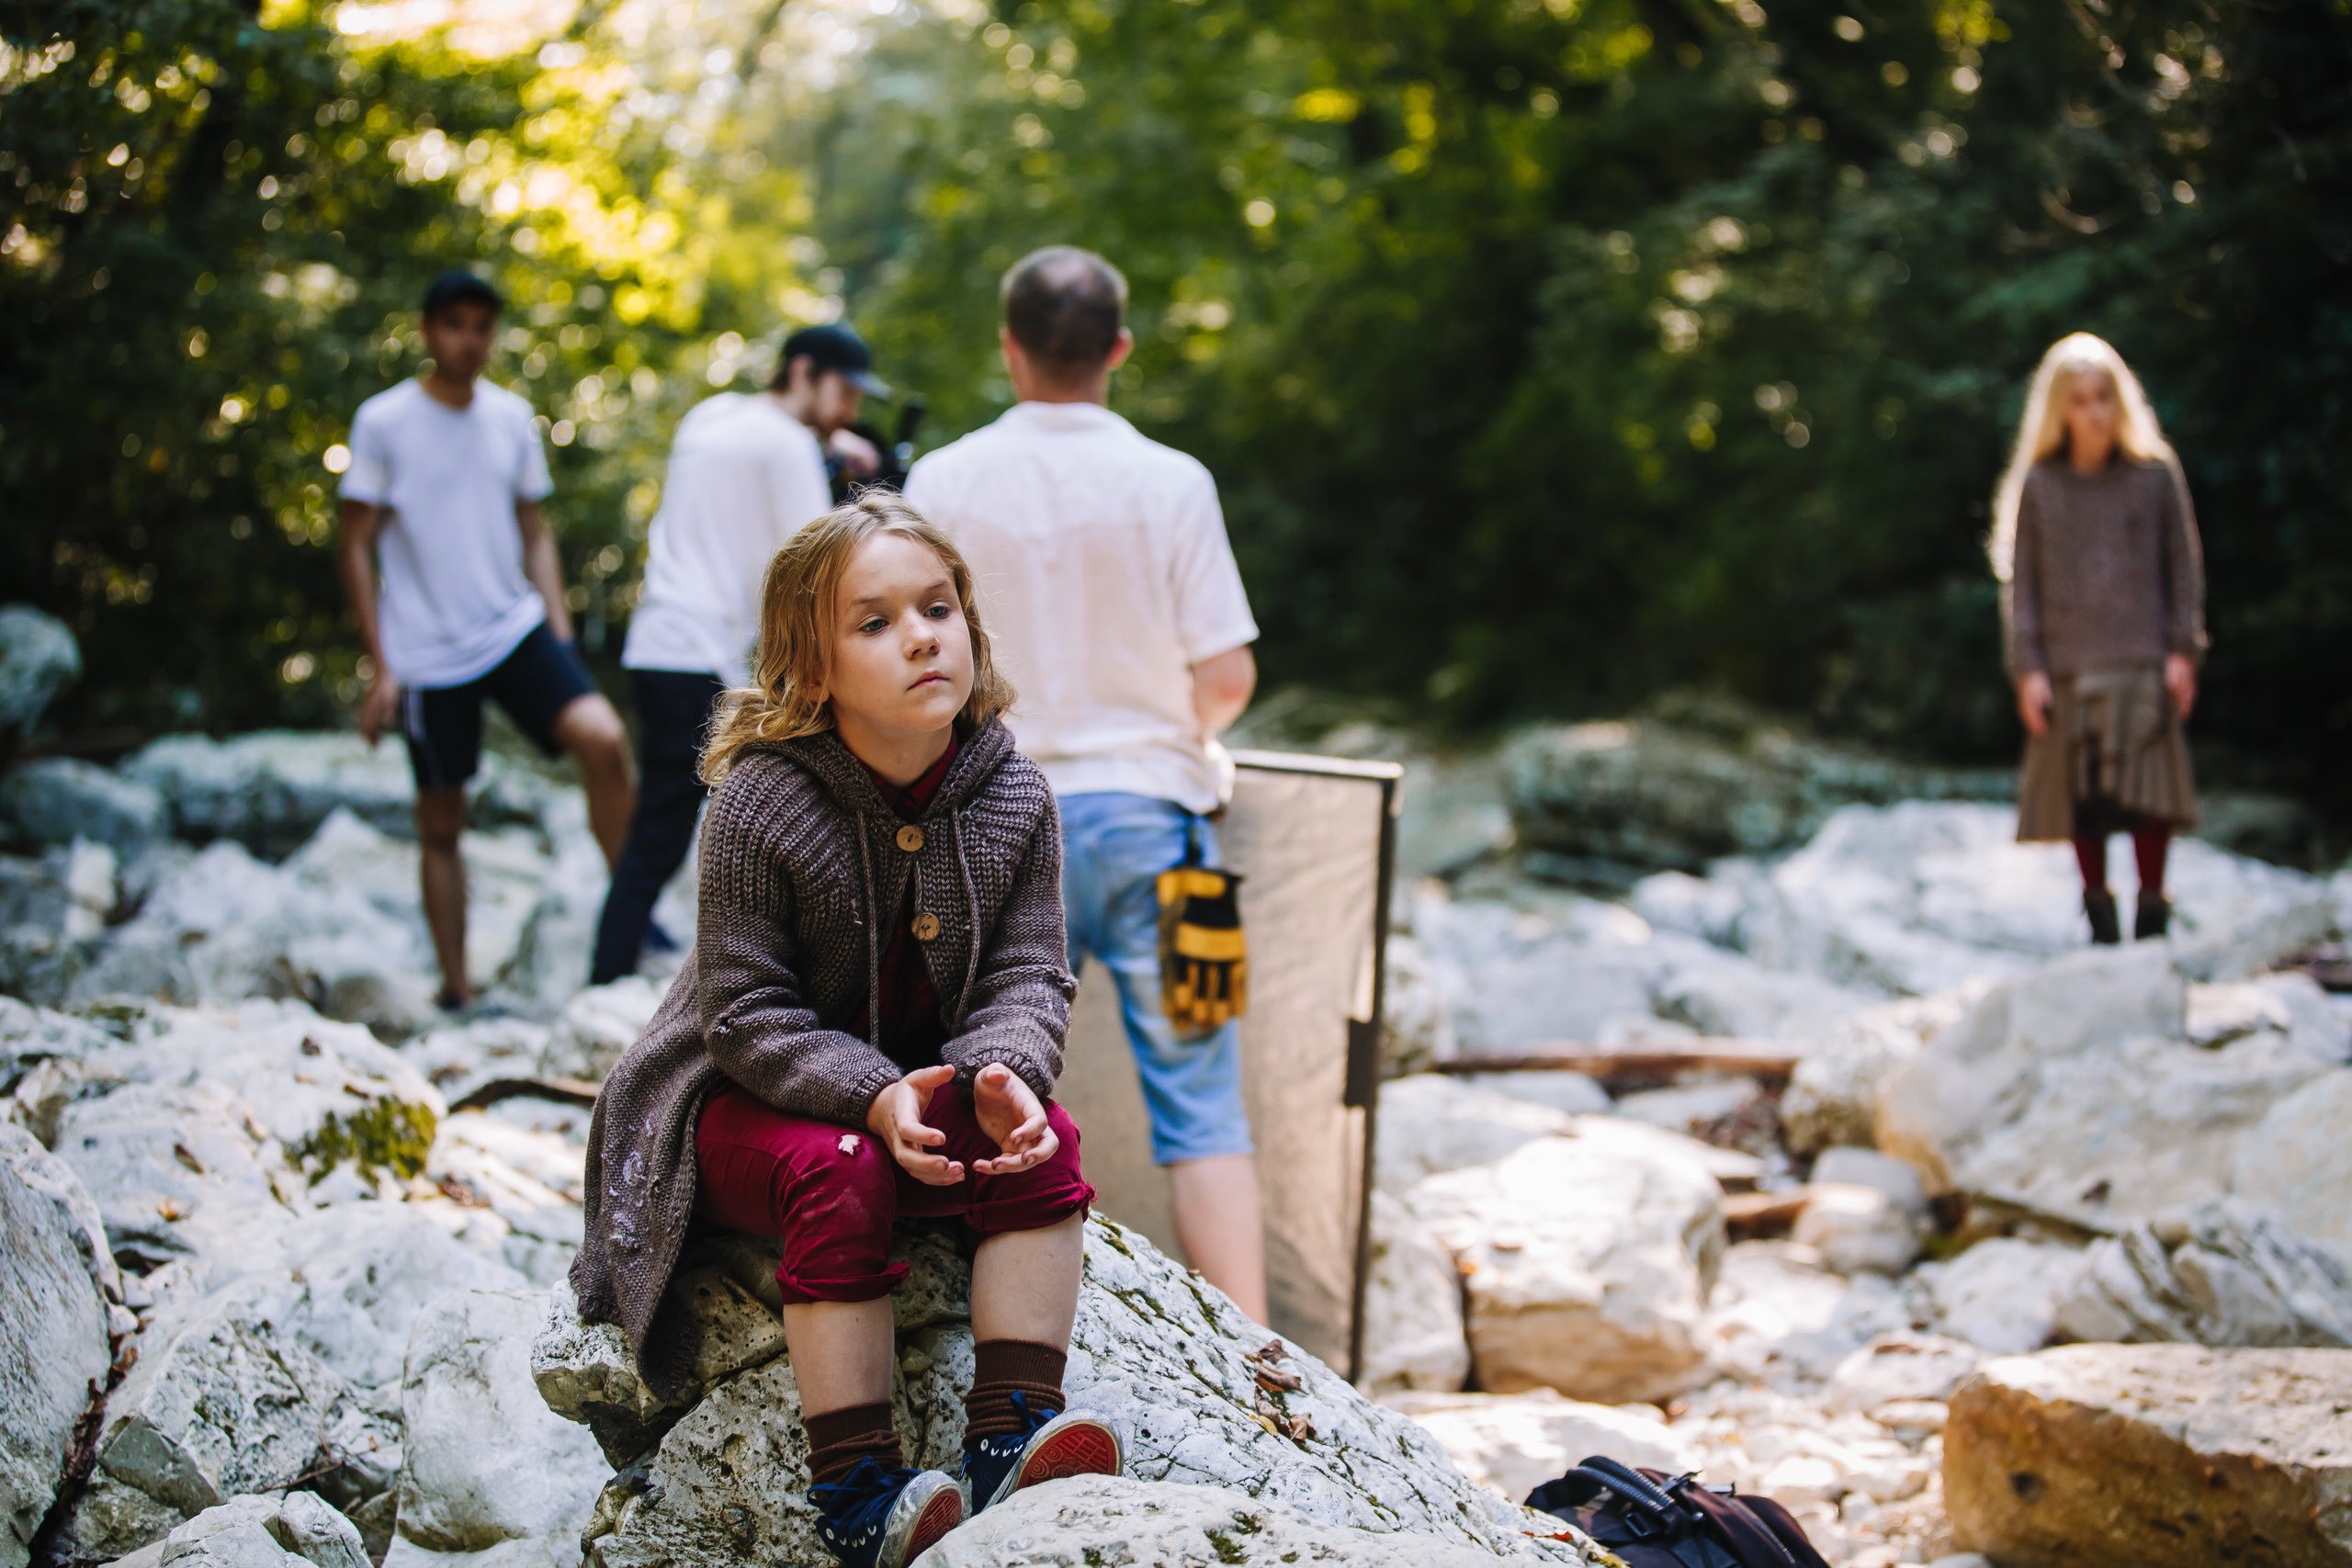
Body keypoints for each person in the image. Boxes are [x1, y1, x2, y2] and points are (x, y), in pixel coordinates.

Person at [571, 495, 1121, 1568]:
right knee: (843, 1169)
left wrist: (1002, 1074)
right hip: (733, 1108)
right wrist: (871, 1093)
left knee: (1042, 1147)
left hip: (920, 1090)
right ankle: (857, 1494)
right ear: (810, 669)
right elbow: (744, 1012)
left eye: (938, 607)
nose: (921, 635)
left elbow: (1028, 971)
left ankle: (1008, 1435)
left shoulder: (1012, 793)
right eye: (874, 623)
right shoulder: (761, 804)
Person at [903, 246, 1268, 1323]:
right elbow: (1228, 675)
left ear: (1008, 350)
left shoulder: (942, 483)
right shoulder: (1174, 480)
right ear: (1118, 349)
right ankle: (1262, 1371)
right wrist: (1173, 738)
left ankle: (977, 1339)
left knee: (987, 1084)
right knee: (1206, 1108)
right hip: (1168, 831)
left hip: (996, 830)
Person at [339, 269, 636, 1010]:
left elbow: (535, 532)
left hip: (513, 629)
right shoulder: (384, 420)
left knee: (603, 741)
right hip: (427, 654)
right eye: (454, 324)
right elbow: (354, 546)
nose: (468, 340)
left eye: (481, 326)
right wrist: (381, 669)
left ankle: (632, 923)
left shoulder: (509, 417)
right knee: (442, 823)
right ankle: (457, 986)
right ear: (426, 330)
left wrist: (559, 632)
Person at [588, 323, 889, 986]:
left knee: (675, 818)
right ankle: (610, 972)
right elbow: (827, 563)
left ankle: (638, 952)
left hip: (658, 643)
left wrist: (827, 444)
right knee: (675, 827)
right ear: (804, 371)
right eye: (843, 392)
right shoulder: (785, 447)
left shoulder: (713, 415)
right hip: (700, 650)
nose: (851, 412)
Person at [1993, 332, 2207, 944]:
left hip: (2142, 658)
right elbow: (2022, 583)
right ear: (2061, 408)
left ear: (2122, 401)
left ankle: (2153, 909)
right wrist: (2027, 667)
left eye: (2104, 397)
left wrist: (2183, 650)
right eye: (2081, 399)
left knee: (2151, 798)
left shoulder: (2154, 476)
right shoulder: (2040, 485)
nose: (2095, 412)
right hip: (2067, 666)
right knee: (2081, 802)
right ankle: (2098, 913)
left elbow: (2183, 567)